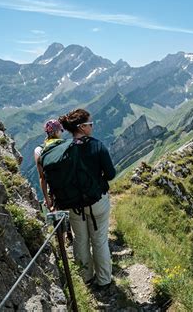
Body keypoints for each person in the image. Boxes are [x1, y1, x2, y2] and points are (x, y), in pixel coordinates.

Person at [58, 108, 116, 290]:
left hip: (75, 205)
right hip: (96, 201)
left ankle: (86, 277)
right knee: (99, 240)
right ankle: (104, 280)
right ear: (82, 127)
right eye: (90, 124)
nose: (92, 126)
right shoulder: (97, 146)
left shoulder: (64, 149)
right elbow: (111, 174)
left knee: (80, 240)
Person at [34, 119, 64, 211]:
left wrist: (47, 200)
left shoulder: (39, 150)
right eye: (61, 131)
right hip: (71, 190)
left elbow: (42, 178)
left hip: (53, 193)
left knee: (58, 218)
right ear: (58, 131)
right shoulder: (66, 145)